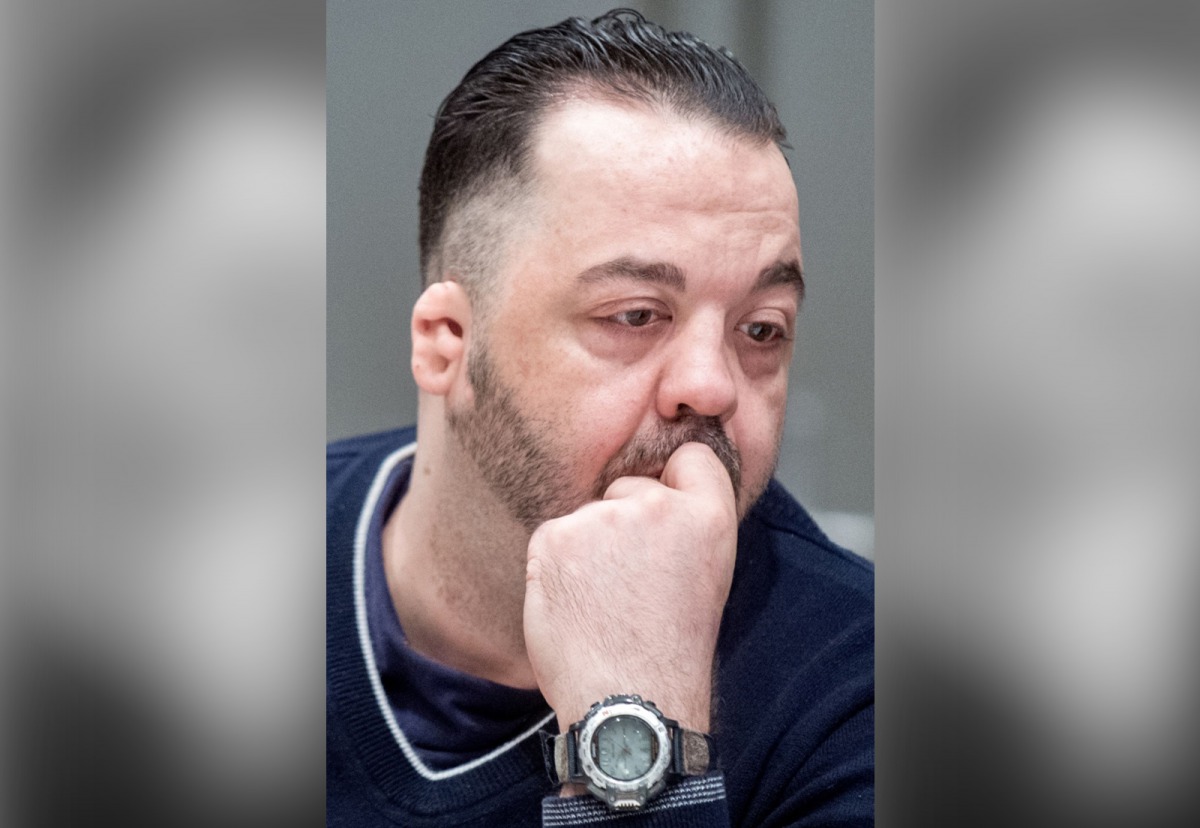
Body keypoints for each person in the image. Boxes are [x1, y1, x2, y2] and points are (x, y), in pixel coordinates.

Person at [327, 10, 873, 826]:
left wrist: (635, 719)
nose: (712, 387)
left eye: (761, 330)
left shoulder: (860, 689)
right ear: (449, 344)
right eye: (635, 315)